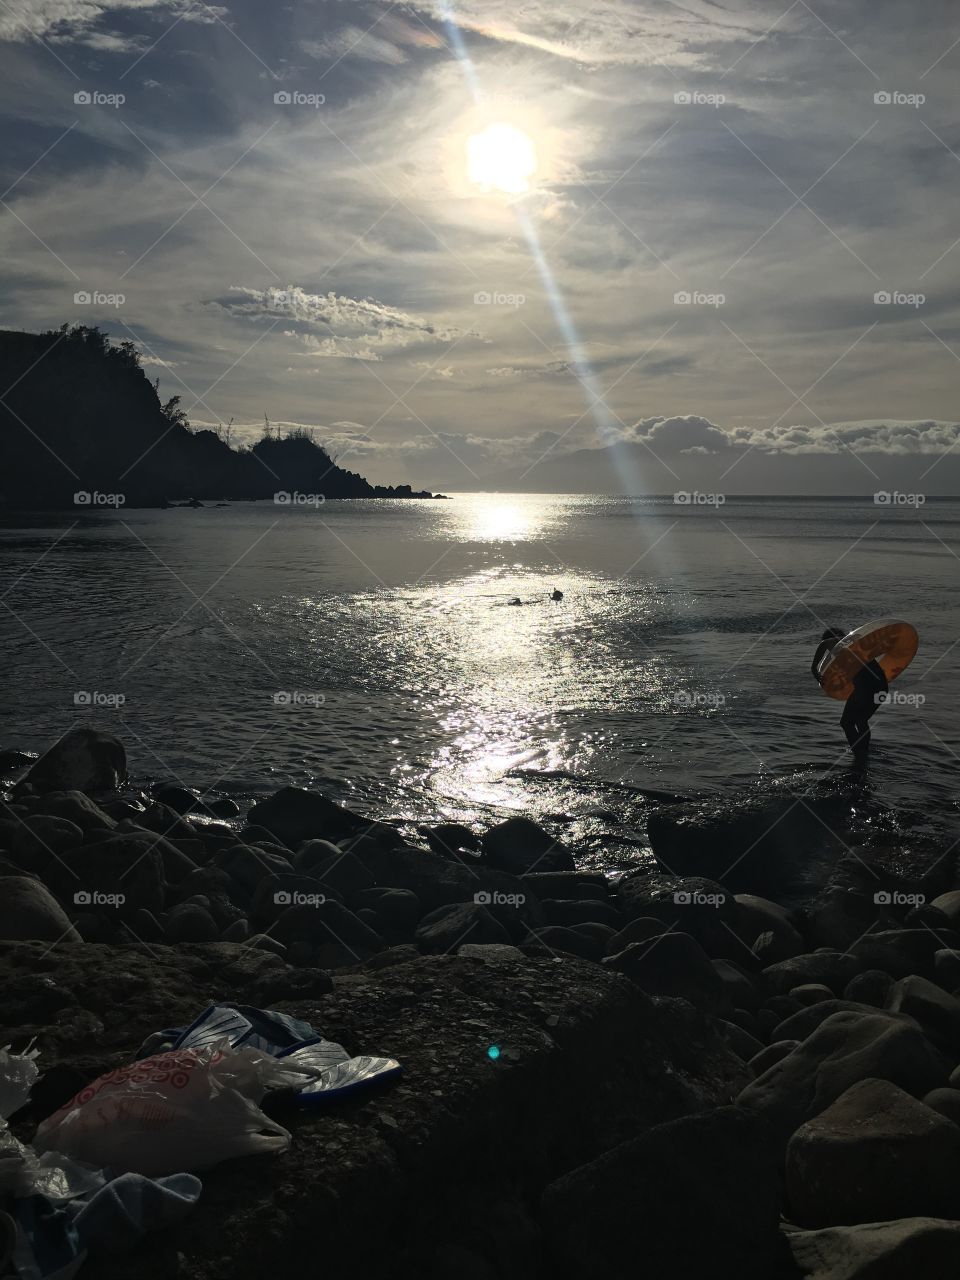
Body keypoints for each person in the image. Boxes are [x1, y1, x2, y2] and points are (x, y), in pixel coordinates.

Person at [812, 627, 888, 762]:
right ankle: (864, 752)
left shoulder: (838, 643)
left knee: (846, 723)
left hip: (866, 687)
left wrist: (815, 672)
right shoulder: (858, 644)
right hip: (882, 686)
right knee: (861, 720)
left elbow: (825, 645)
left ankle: (858, 754)